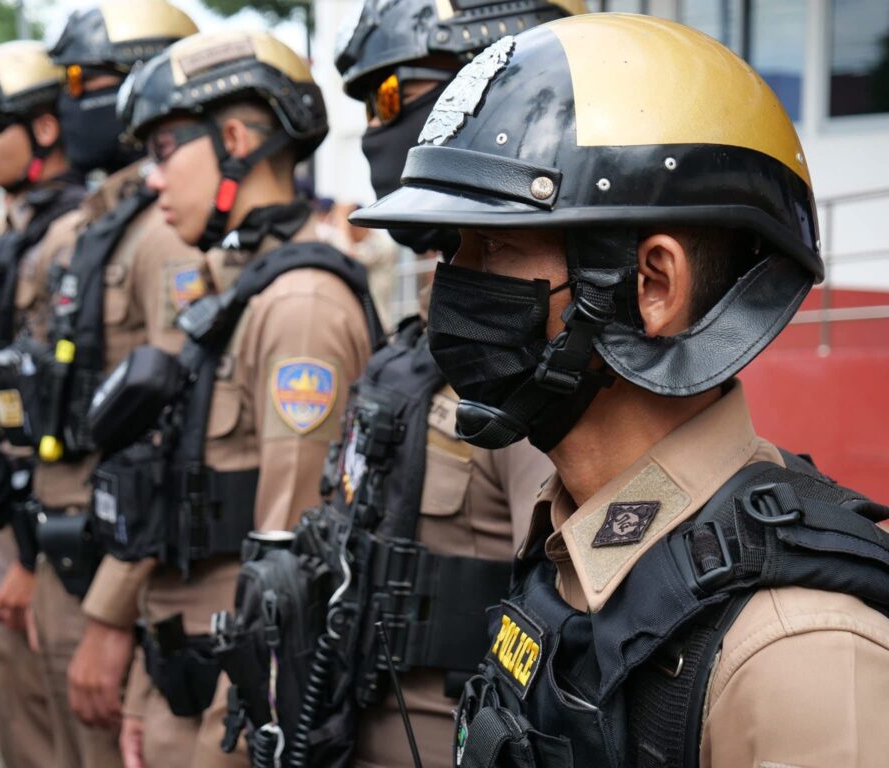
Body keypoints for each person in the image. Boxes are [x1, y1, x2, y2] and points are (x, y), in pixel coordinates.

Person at [353, 13, 889, 768]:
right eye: (454, 248)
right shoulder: (563, 539)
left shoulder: (795, 655)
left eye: (495, 246)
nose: (451, 286)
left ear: (653, 285)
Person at [92, 29, 382, 767]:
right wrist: (143, 690)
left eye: (164, 151)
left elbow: (290, 582)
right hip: (182, 671)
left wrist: (237, 736)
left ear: (234, 140)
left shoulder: (300, 307)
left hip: (230, 706)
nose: (152, 179)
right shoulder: (236, 292)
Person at [329, 3, 580, 764]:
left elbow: (565, 618)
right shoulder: (423, 342)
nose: (377, 129)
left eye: (390, 96)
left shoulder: (538, 355)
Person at [21, 3, 199, 767]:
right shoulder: (102, 220)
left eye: (80, 84)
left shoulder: (165, 232)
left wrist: (111, 612)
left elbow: (172, 431)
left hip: (119, 562)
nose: (65, 106)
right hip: (74, 544)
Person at [0, 39, 86, 768]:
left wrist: (32, 554)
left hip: (46, 522)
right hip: (8, 505)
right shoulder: (16, 226)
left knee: (48, 729)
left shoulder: (72, 233)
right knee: (16, 717)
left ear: (46, 127)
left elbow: (61, 413)